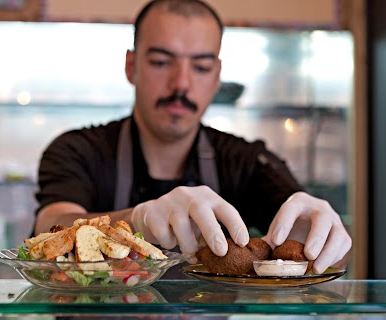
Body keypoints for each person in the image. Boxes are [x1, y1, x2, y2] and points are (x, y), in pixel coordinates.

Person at [34, 0, 351, 275]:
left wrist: (317, 234)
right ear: (131, 67)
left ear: (216, 76)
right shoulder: (77, 150)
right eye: (161, 62)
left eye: (200, 67)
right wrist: (135, 220)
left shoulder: (245, 159)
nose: (181, 84)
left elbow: (326, 246)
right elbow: (50, 224)